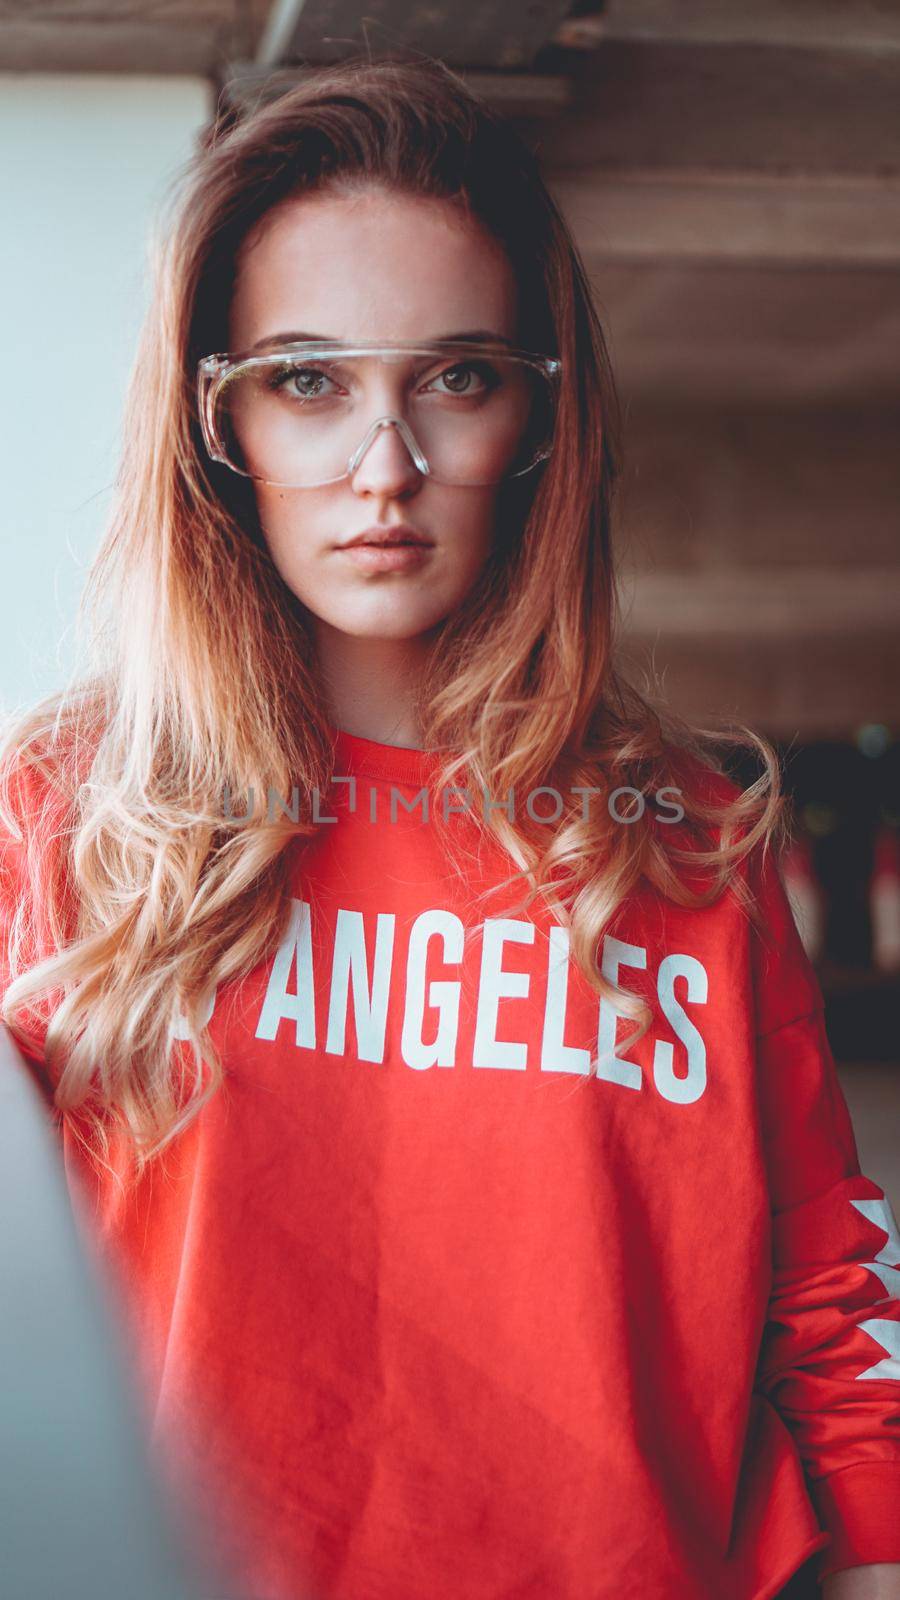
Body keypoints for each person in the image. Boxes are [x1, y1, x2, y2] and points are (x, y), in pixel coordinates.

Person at [1, 51, 899, 1600]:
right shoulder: (74, 818)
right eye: (307, 380)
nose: (385, 469)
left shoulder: (682, 838)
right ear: (216, 424)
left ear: (543, 416)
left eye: (457, 377)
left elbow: (835, 1316)